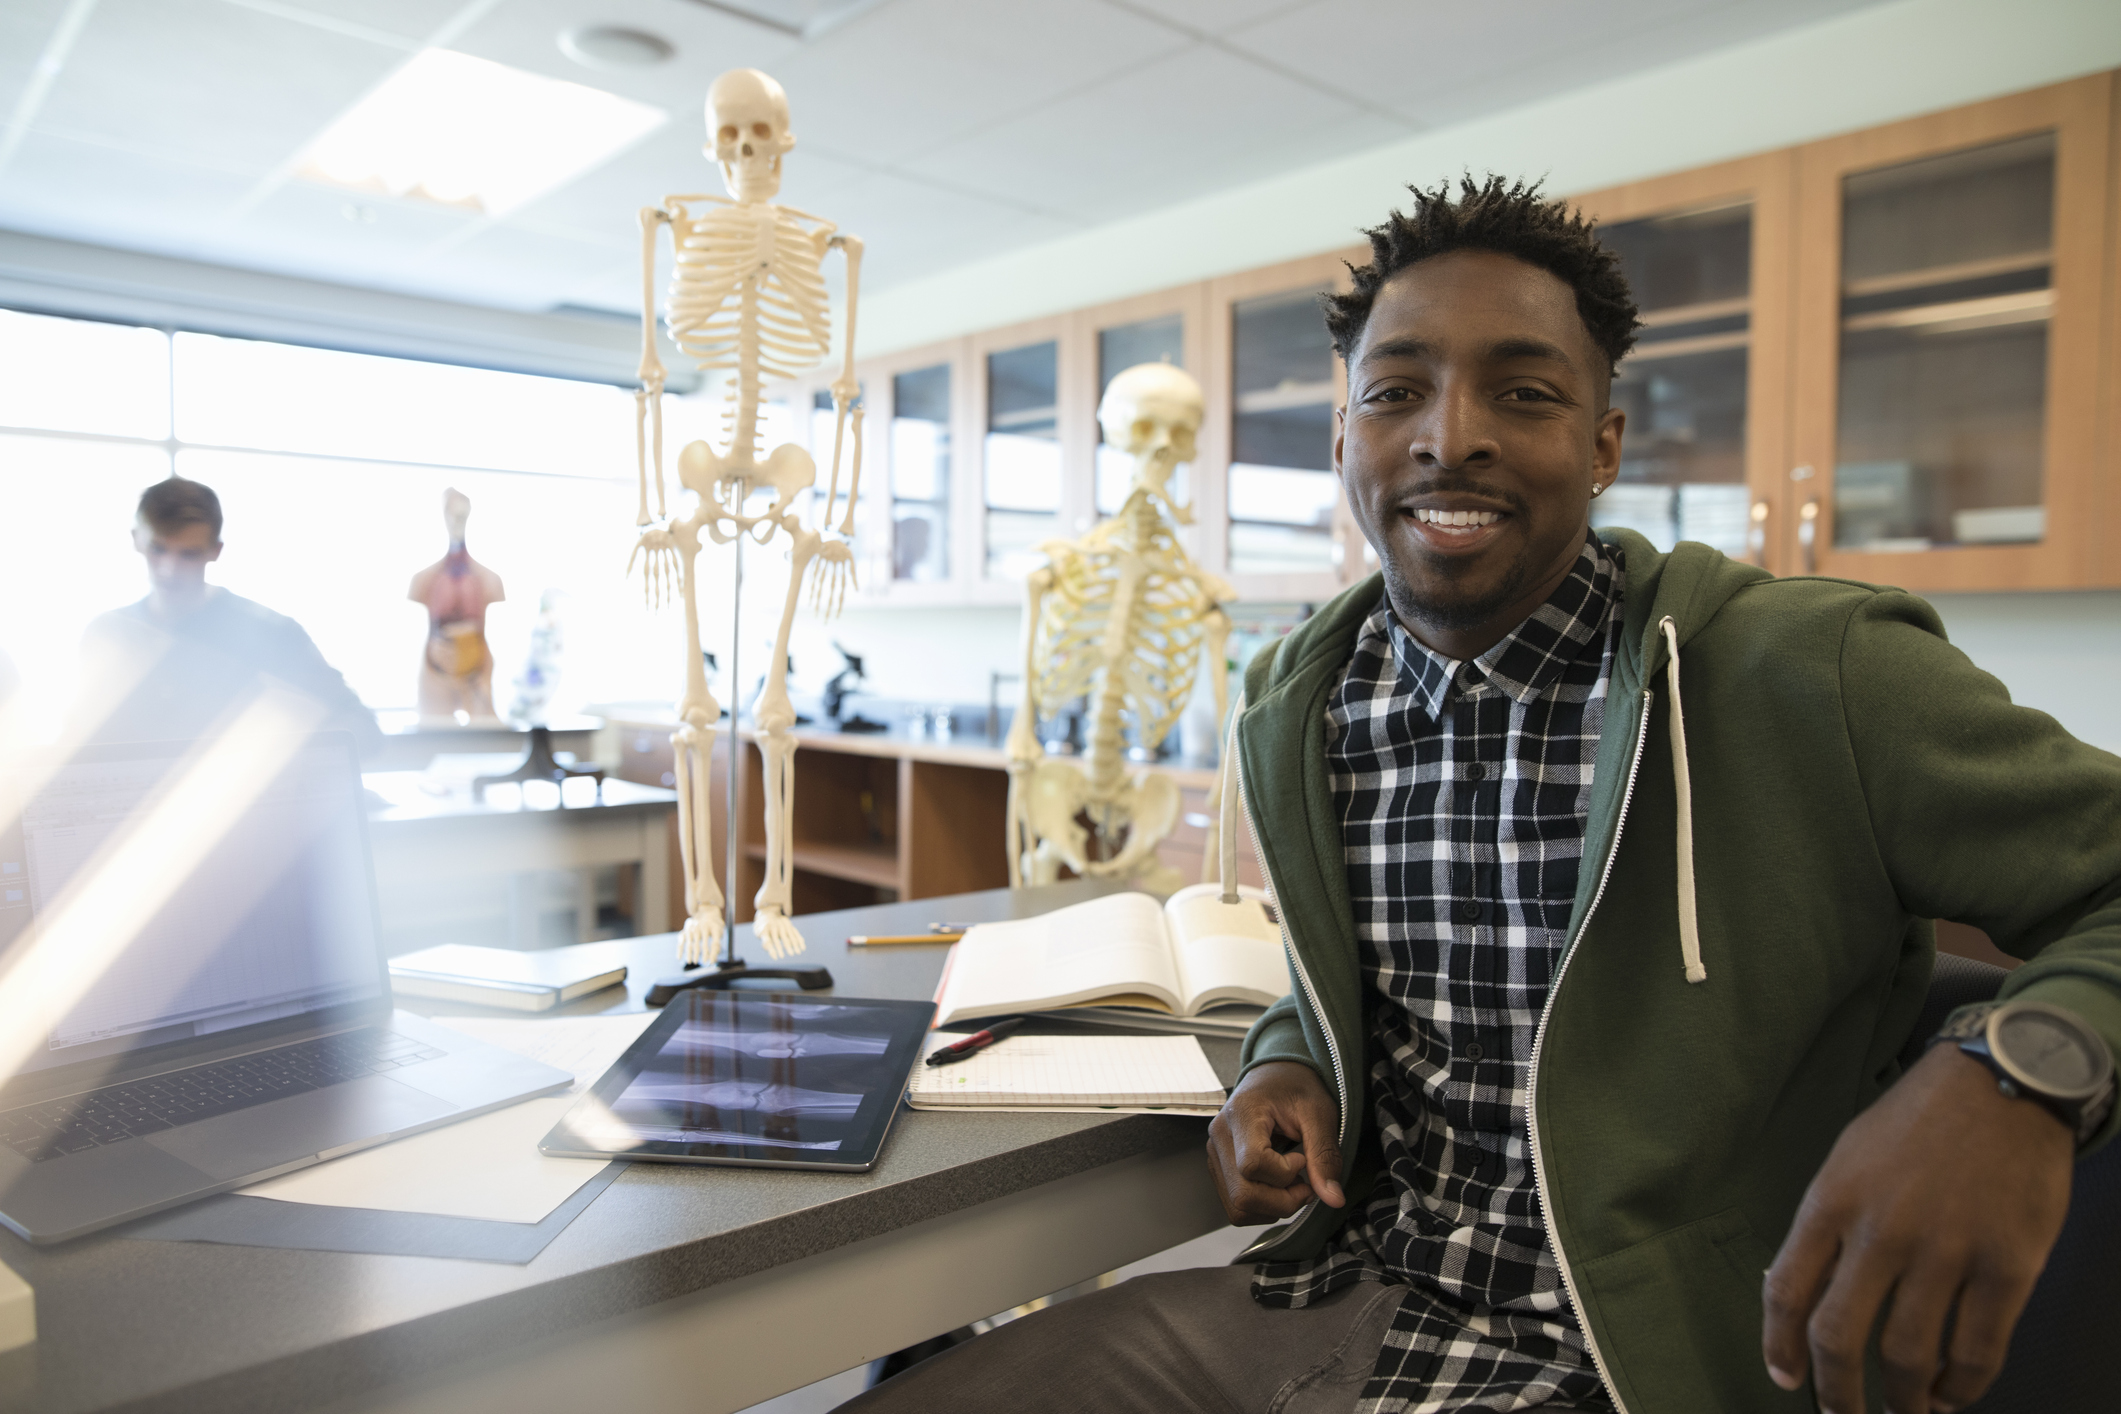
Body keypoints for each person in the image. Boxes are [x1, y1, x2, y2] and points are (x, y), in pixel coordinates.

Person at [840, 178, 2121, 1414]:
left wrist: (2014, 1072)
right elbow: (1352, 979)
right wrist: (1288, 1060)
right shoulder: (1307, 698)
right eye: (1398, 390)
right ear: (1345, 435)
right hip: (1344, 1301)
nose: (1453, 434)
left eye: (1524, 390)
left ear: (1605, 441)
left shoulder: (1812, 674)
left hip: (1651, 1357)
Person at [80, 477, 383, 757]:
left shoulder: (272, 634)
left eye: (189, 554)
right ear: (136, 540)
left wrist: (275, 753)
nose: (169, 570)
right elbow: (80, 746)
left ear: (216, 550)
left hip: (254, 814)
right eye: (157, 549)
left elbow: (363, 733)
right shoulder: (107, 634)